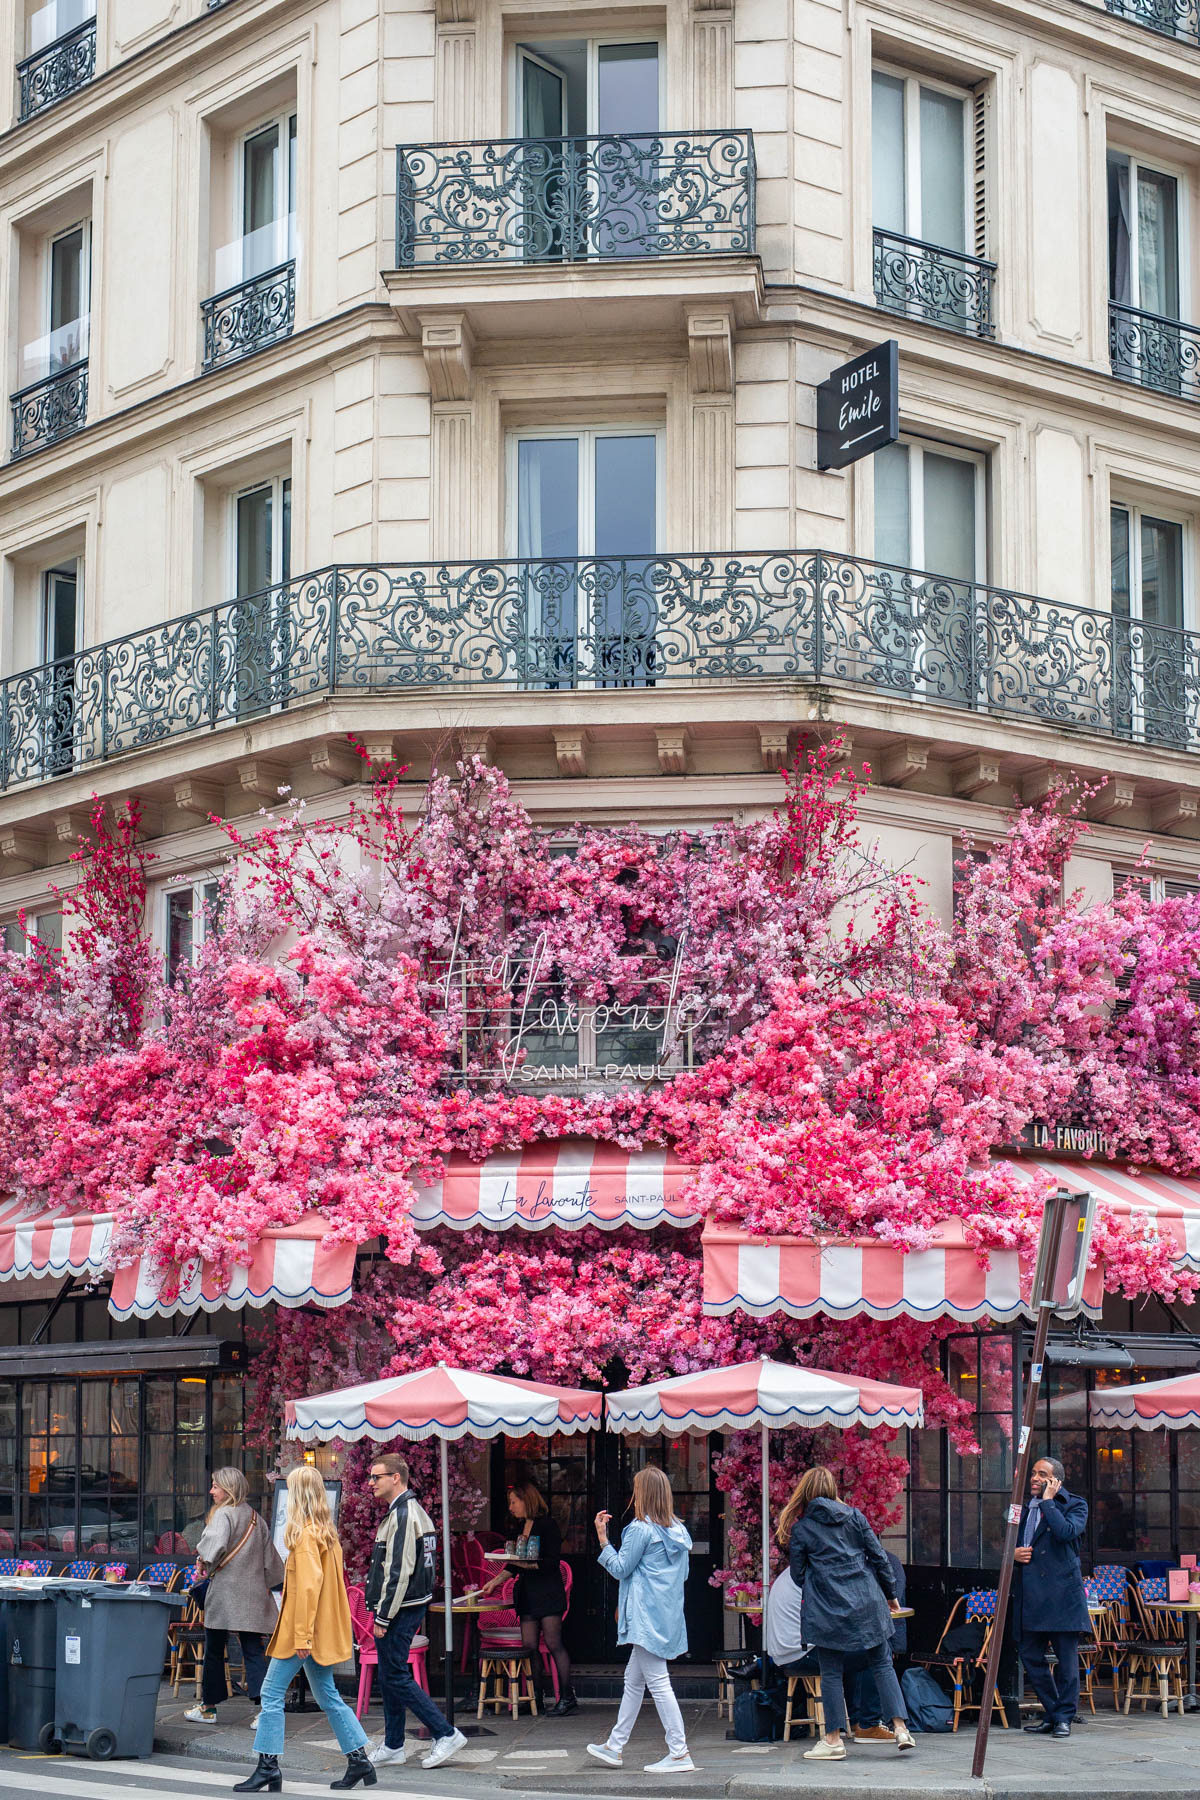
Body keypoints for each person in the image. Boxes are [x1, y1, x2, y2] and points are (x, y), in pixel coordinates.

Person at [233, 1465, 374, 1794]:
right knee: (328, 1696)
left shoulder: (307, 1536)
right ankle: (359, 1760)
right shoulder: (326, 1534)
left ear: (299, 1497)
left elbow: (308, 1591)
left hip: (302, 1633)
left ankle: (268, 1767)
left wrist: (301, 1636)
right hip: (316, 1632)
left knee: (271, 1694)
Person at [783, 1466, 914, 1760]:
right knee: (882, 1664)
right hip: (868, 1602)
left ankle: (833, 1741)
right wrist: (891, 1595)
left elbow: (797, 1575)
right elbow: (879, 1558)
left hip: (828, 1609)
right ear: (832, 1489)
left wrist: (820, 1582)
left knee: (831, 1672)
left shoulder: (802, 1528)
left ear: (805, 1493)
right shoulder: (855, 1516)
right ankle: (901, 1729)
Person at [587, 1466, 695, 1775]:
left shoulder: (639, 1528)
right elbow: (683, 1575)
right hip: (666, 1614)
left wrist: (602, 1539)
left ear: (642, 1494)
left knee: (658, 1683)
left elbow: (620, 1568)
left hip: (644, 1615)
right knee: (633, 1682)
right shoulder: (679, 1531)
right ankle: (614, 1746)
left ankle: (679, 1752)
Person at [363, 1453, 467, 1771]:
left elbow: (398, 1570)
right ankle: (394, 1744)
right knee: (391, 1675)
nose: (371, 1483)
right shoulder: (409, 1511)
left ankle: (445, 1733)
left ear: (396, 1477)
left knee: (394, 1676)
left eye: (376, 1476)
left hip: (400, 1608)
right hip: (406, 1606)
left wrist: (383, 1616)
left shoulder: (404, 1514)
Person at [185, 1468, 284, 1727]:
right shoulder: (255, 1518)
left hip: (224, 1594)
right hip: (253, 1595)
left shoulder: (223, 1514)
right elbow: (272, 1563)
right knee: (253, 1651)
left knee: (214, 1650)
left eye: (215, 1486)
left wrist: (203, 1561)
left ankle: (209, 1707)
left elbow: (211, 1549)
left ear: (228, 1489)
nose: (211, 1491)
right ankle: (265, 1711)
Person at [475, 1479, 576, 1715]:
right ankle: (535, 1697)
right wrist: (495, 1581)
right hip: (528, 1594)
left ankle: (567, 1697)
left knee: (553, 1643)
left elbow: (550, 1562)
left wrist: (524, 1564)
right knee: (529, 1647)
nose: (511, 1507)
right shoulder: (521, 1527)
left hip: (548, 1592)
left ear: (526, 1500)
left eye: (514, 1502)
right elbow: (513, 1565)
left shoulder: (547, 1525)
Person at [1014, 1455, 1090, 1740]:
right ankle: (1054, 1712)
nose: (1034, 1478)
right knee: (1030, 1657)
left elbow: (1066, 1532)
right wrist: (1012, 1554)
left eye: (1042, 1474)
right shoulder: (1022, 1508)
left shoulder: (1075, 1505)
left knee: (1067, 1663)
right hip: (1031, 1596)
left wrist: (1048, 1501)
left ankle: (1063, 1718)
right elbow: (1007, 1542)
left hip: (1062, 1597)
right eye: (1033, 1473)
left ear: (1056, 1480)